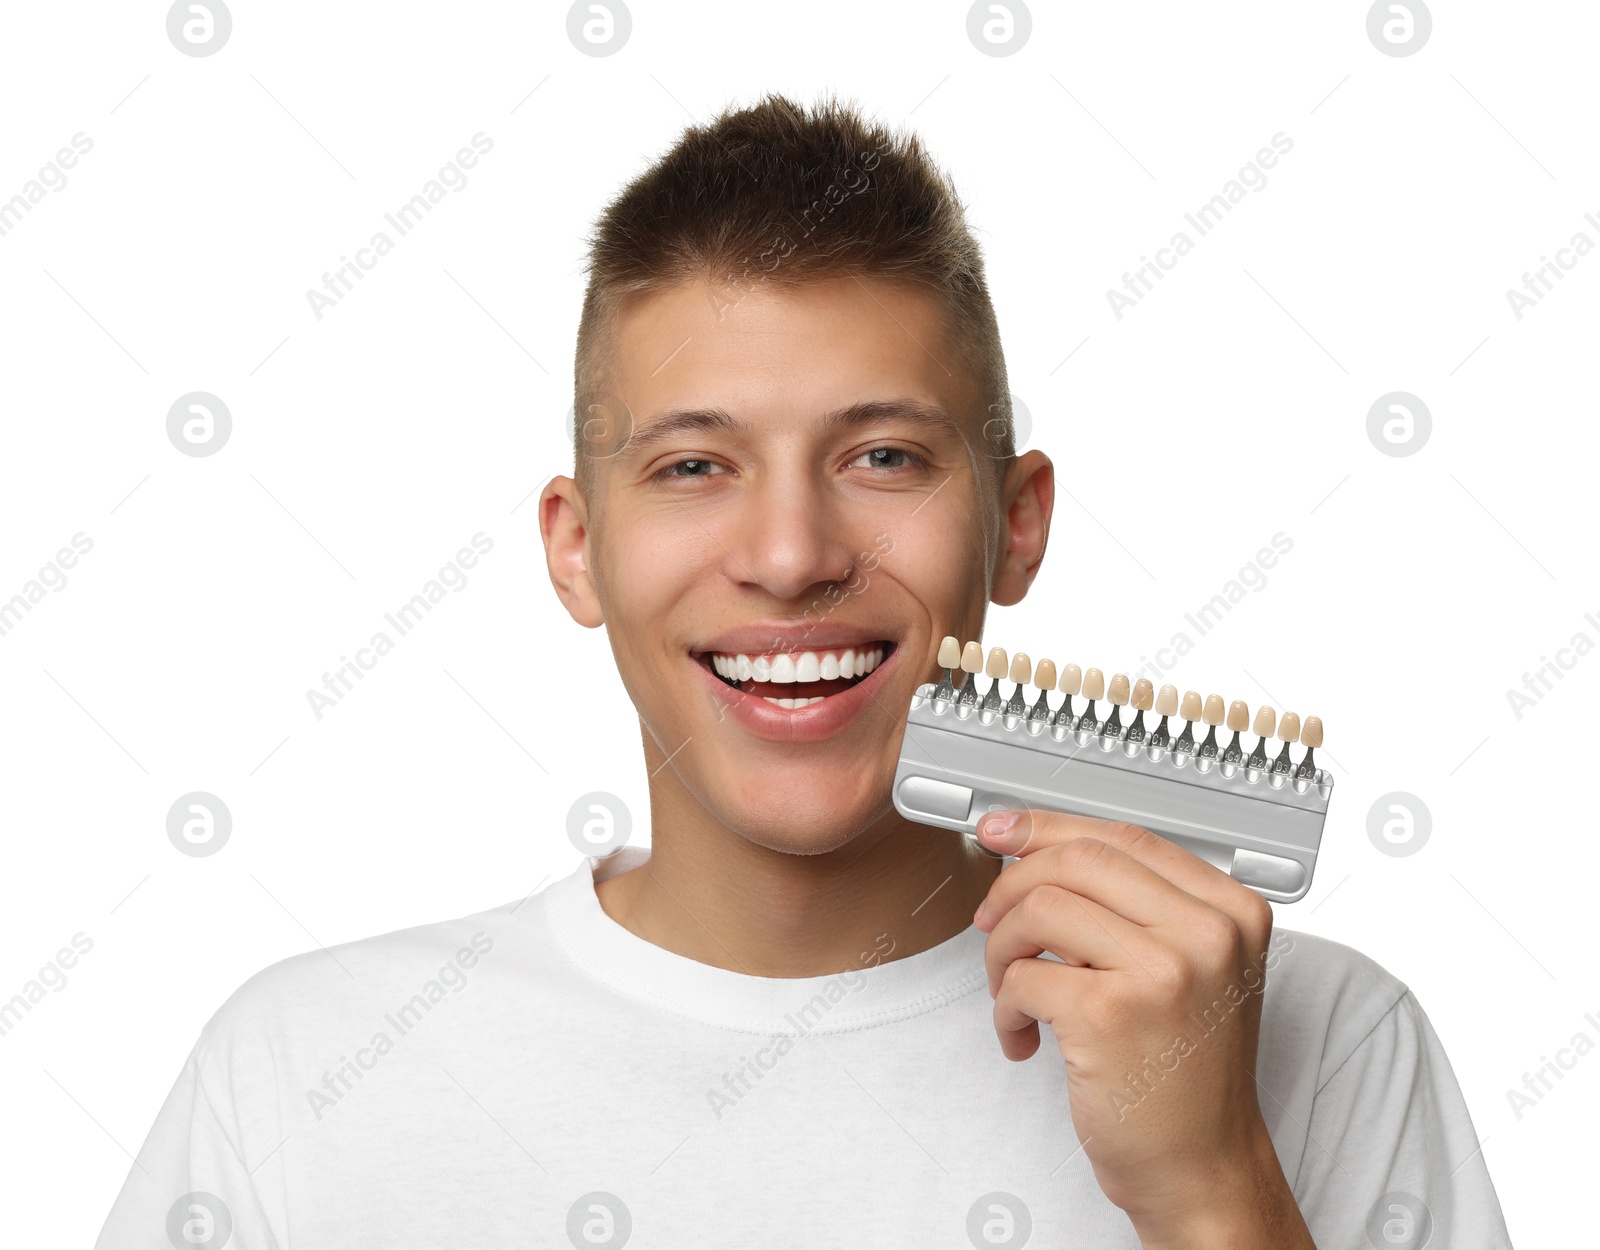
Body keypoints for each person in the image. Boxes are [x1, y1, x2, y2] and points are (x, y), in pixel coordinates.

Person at [96, 91, 1512, 1249]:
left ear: (1016, 524)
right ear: (576, 550)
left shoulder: (1326, 1040)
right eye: (694, 464)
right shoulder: (302, 1071)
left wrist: (1213, 1192)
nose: (789, 554)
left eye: (883, 455)